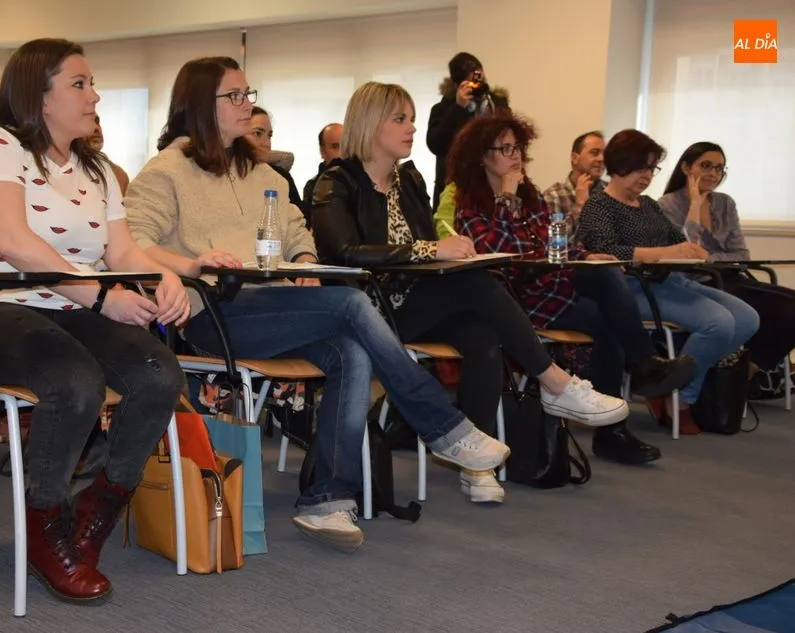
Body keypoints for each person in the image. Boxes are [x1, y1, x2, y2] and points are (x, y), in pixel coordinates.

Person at [125, 56, 510, 550]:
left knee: (352, 353)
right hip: (213, 314)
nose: (247, 104)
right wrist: (192, 263)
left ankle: (326, 499)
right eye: (235, 96)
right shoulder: (166, 171)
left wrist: (305, 259)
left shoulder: (258, 170)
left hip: (274, 305)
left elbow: (294, 230)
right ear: (201, 103)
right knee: (350, 305)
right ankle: (443, 426)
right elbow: (135, 243)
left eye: (248, 94)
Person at [0, 38, 189, 605]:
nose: (94, 95)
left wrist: (164, 276)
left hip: (66, 309)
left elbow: (122, 253)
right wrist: (99, 297)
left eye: (92, 83)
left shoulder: (96, 169)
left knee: (159, 374)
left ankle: (95, 512)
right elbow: (13, 244)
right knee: (73, 381)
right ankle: (44, 528)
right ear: (39, 96)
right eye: (79, 83)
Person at [311, 80, 629, 503]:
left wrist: (452, 252)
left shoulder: (409, 181)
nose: (412, 128)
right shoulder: (335, 182)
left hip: (414, 300)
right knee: (478, 284)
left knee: (483, 336)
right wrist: (431, 249)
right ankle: (555, 383)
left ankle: (478, 466)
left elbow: (427, 251)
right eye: (400, 119)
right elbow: (344, 252)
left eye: (412, 119)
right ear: (370, 124)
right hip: (368, 310)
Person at [445, 111, 697, 465]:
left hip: (555, 285)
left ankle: (636, 381)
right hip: (519, 300)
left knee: (607, 273)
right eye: (505, 149)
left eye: (518, 148)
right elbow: (499, 254)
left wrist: (587, 255)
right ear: (482, 156)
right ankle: (631, 393)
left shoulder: (531, 196)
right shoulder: (470, 206)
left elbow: (553, 243)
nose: (516, 156)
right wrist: (506, 200)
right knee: (608, 323)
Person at [578, 130, 760, 434]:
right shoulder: (599, 205)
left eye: (651, 169)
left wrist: (691, 248)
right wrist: (664, 252)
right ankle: (682, 400)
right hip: (632, 290)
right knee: (718, 324)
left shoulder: (649, 205)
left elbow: (679, 240)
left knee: (747, 319)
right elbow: (605, 251)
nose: (647, 176)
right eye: (640, 168)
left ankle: (671, 387)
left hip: (670, 282)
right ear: (619, 166)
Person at [660, 141, 795, 373]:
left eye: (719, 168)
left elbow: (741, 254)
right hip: (698, 283)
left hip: (733, 277)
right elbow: (685, 254)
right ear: (686, 167)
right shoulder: (667, 205)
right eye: (706, 166)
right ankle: (741, 373)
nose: (713, 173)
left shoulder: (725, 203)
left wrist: (709, 257)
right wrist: (695, 206)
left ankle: (749, 369)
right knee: (782, 310)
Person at [426, 52, 509, 210]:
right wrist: (458, 108)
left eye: (479, 77)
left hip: (493, 188)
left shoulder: (497, 105)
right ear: (457, 84)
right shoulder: (443, 109)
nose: (476, 84)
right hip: (455, 192)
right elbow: (435, 144)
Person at [542, 130, 607, 242]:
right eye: (594, 153)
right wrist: (580, 205)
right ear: (575, 158)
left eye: (604, 154)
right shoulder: (553, 196)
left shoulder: (610, 192)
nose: (601, 159)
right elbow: (554, 241)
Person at [248, 106, 302, 210]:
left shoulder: (280, 176)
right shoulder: (226, 177)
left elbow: (299, 217)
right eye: (257, 133)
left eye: (269, 136)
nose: (267, 144)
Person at [302, 122, 343, 222]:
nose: (342, 152)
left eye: (346, 145)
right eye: (335, 146)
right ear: (322, 151)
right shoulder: (313, 187)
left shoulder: (366, 179)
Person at [86, 114, 130, 195]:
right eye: (87, 122)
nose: (96, 129)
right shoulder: (63, 171)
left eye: (97, 121)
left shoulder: (118, 174)